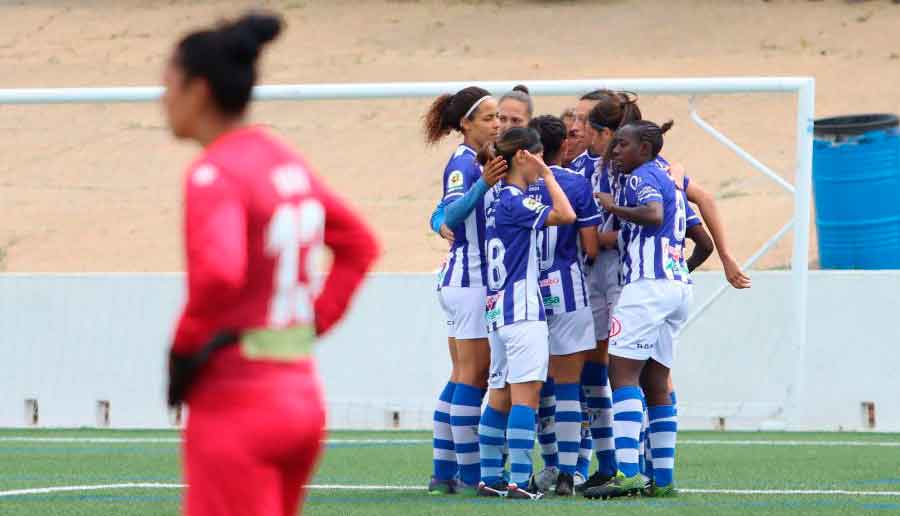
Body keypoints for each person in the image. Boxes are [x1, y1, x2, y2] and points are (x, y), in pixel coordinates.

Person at [162, 12, 379, 516]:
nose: (163, 99)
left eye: (168, 84)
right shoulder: (282, 159)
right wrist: (311, 322)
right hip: (299, 397)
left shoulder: (214, 173)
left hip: (236, 403)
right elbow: (360, 246)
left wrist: (182, 349)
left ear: (198, 91)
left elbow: (219, 272)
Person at [585, 120, 690, 499]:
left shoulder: (640, 177)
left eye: (622, 145)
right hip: (676, 287)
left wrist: (614, 206)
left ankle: (627, 473)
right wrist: (673, 278)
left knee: (623, 375)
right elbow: (702, 240)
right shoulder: (673, 179)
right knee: (658, 384)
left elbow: (653, 214)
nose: (614, 152)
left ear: (644, 149)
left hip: (646, 289)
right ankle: (662, 480)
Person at [475, 127, 575, 500]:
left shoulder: (492, 199)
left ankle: (489, 477)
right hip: (522, 310)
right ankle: (518, 479)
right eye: (537, 157)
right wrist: (549, 175)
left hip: (497, 309)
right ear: (522, 156)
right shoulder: (515, 201)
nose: (541, 165)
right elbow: (565, 215)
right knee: (525, 397)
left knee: (498, 395)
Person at [423, 85, 501, 493]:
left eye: (499, 117)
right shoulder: (464, 164)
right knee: (475, 375)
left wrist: (438, 220)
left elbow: (438, 215)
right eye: (489, 118)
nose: (497, 124)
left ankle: (443, 471)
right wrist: (482, 185)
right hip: (468, 280)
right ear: (466, 124)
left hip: (467, 280)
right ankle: (470, 477)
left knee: (462, 375)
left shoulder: (479, 161)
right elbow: (452, 209)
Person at [527, 115, 600, 496]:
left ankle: (545, 467)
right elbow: (591, 246)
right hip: (568, 291)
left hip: (525, 295)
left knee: (534, 385)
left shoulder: (514, 186)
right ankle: (569, 475)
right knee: (570, 385)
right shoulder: (576, 184)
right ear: (563, 147)